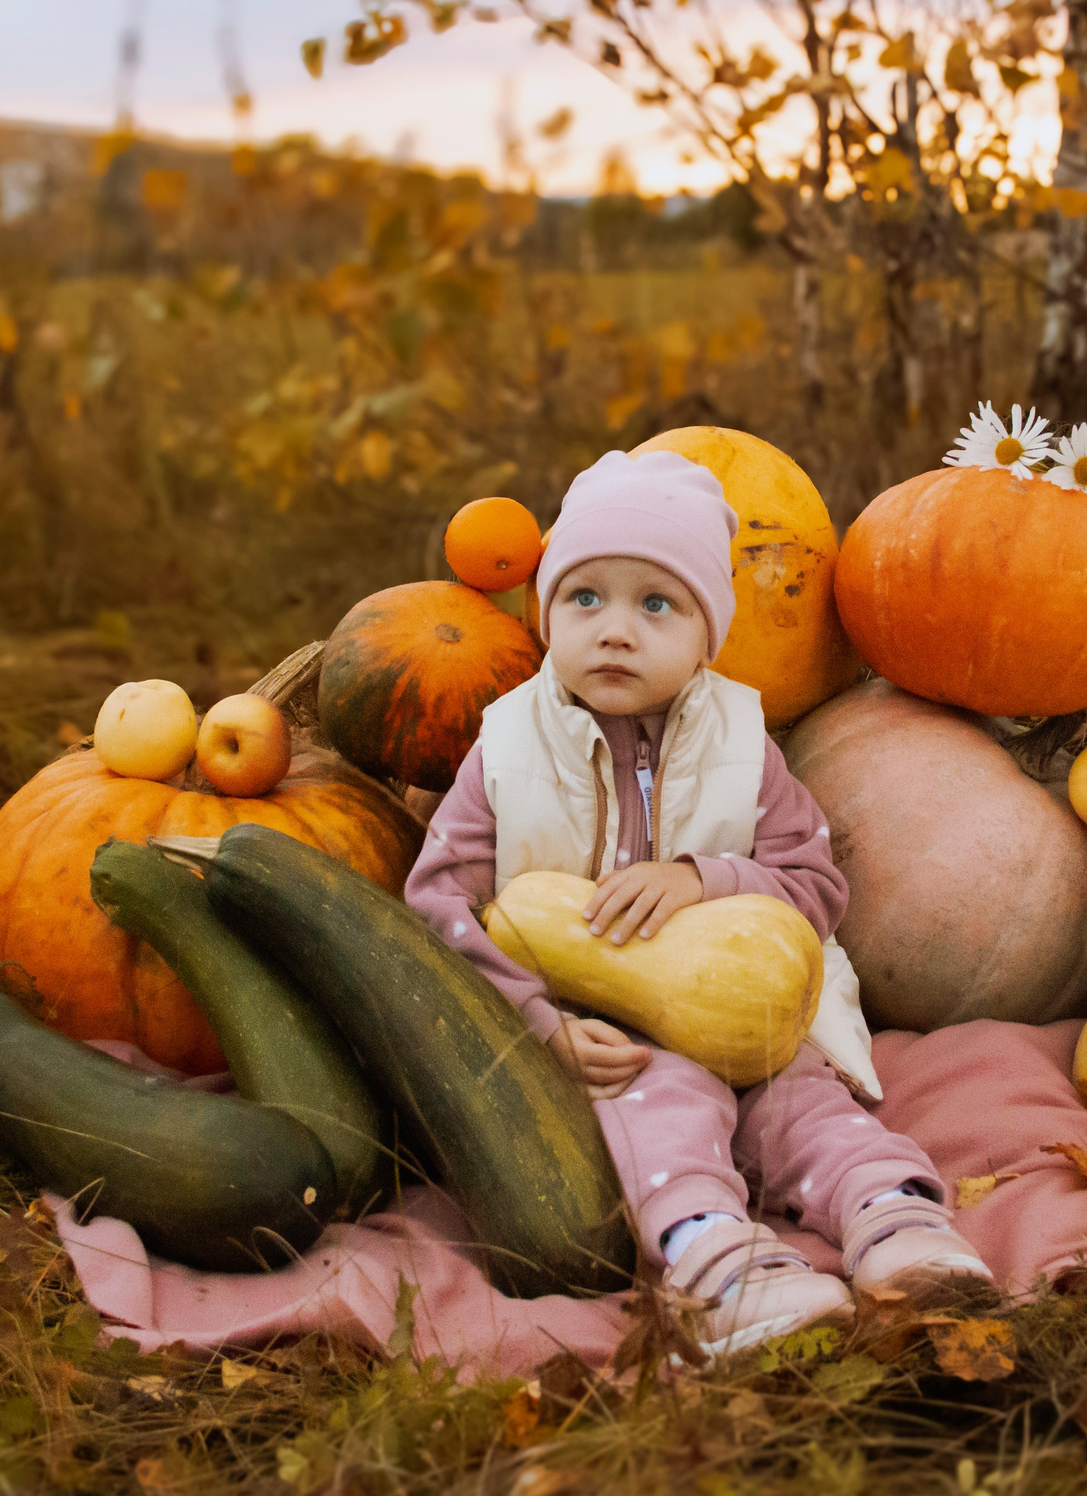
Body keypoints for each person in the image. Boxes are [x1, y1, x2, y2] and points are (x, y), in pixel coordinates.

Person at [407, 449, 991, 1355]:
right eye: (585, 597)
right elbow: (438, 904)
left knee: (810, 1107)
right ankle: (712, 1258)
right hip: (605, 1028)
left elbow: (815, 885)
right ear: (546, 612)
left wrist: (704, 876)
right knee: (663, 1109)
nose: (615, 630)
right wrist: (535, 1023)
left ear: (707, 634)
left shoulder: (741, 743)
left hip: (756, 1007)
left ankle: (898, 1221)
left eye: (657, 604)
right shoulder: (506, 749)